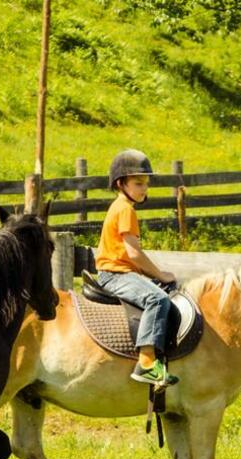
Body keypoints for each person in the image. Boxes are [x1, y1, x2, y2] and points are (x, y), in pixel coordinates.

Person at [95, 149, 180, 387]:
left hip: (120, 272)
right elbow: (133, 253)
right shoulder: (125, 209)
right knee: (158, 300)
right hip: (115, 275)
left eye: (146, 183)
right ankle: (146, 362)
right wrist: (160, 274)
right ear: (121, 183)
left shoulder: (121, 206)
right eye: (138, 183)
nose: (144, 188)